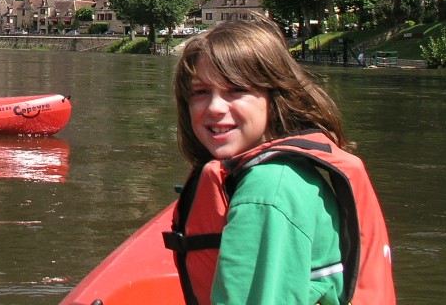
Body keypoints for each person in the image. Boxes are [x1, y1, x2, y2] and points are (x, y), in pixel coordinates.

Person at [163, 17, 395, 305]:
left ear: (275, 96)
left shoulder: (267, 191)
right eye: (200, 92)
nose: (214, 107)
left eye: (236, 90)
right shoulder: (288, 173)